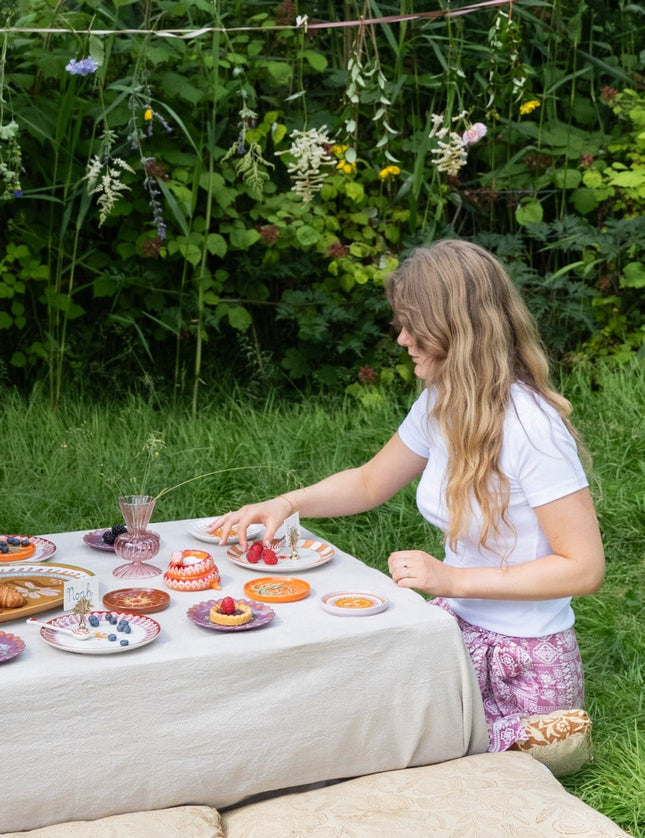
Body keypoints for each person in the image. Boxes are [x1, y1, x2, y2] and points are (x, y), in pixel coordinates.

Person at [211, 239, 605, 752]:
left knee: (410, 743)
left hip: (527, 659)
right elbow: (370, 481)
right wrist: (289, 504)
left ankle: (539, 737)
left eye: (413, 326)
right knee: (344, 711)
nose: (401, 339)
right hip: (453, 629)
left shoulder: (532, 427)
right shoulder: (441, 402)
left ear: (456, 329)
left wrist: (451, 579)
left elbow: (584, 568)